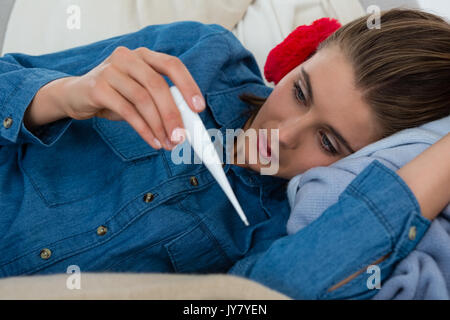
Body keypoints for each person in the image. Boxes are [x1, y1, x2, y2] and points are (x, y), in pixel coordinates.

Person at [0, 8, 448, 298]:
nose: (283, 134)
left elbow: (270, 294)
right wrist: (60, 96)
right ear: (297, 61)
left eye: (328, 142)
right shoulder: (198, 53)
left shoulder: (284, 232)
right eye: (299, 91)